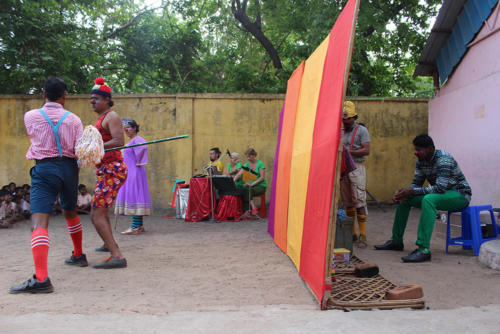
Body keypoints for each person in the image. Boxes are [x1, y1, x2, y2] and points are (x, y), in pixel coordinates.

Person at [10, 77, 86, 294]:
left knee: (39, 220)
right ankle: (79, 254)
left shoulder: (30, 116)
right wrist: (72, 171)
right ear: (64, 96)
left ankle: (42, 278)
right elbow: (80, 151)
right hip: (70, 168)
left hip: (44, 169)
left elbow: (35, 138)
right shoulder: (74, 119)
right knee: (70, 210)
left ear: (44, 95)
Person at [374, 134, 472, 263]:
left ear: (430, 149)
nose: (416, 153)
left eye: (419, 150)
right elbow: (417, 184)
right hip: (440, 195)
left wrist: (412, 191)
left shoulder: (444, 159)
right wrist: (404, 193)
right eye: (415, 149)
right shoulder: (421, 161)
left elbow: (440, 188)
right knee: (406, 200)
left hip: (459, 195)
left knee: (429, 199)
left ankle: (423, 249)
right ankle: (396, 241)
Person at [89, 77, 128, 268]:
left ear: (106, 100)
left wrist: (95, 146)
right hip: (106, 170)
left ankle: (117, 255)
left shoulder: (111, 117)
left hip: (112, 170)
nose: (92, 101)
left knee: (96, 213)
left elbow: (119, 142)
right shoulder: (102, 118)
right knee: (98, 211)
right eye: (91, 98)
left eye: (96, 98)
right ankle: (109, 244)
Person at [340, 101, 370, 247]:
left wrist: (347, 152)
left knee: (359, 200)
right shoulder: (340, 131)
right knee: (348, 202)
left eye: (348, 120)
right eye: (343, 120)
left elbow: (366, 150)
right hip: (343, 169)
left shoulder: (362, 131)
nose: (345, 123)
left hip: (357, 167)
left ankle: (363, 234)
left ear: (354, 118)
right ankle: (352, 233)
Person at [114, 119, 152, 235]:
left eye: (129, 127)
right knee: (136, 197)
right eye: (125, 128)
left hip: (134, 172)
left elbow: (143, 147)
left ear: (135, 128)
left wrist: (140, 146)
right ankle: (139, 225)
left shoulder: (138, 139)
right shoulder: (132, 141)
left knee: (135, 197)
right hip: (129, 172)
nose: (126, 130)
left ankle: (135, 227)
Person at [238, 148, 266, 216]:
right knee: (244, 189)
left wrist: (252, 184)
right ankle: (253, 207)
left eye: (249, 156)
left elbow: (262, 177)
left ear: (254, 155)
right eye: (247, 156)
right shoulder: (246, 165)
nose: (248, 158)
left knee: (247, 190)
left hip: (260, 186)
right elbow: (239, 174)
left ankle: (248, 210)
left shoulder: (260, 163)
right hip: (250, 186)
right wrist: (232, 180)